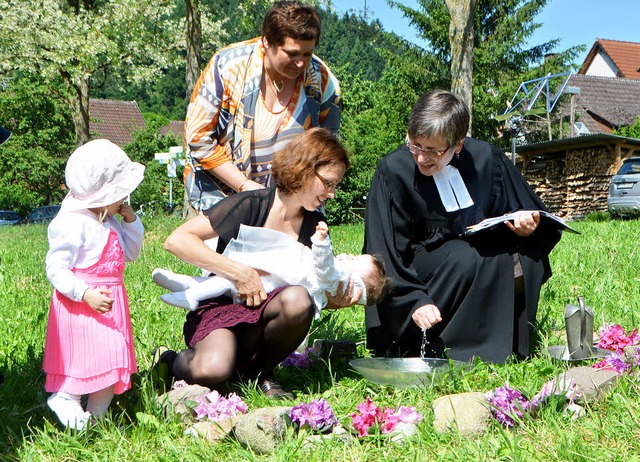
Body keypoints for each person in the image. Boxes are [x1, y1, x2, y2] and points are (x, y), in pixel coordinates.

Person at [155, 128, 358, 398]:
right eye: (328, 183)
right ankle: (172, 361)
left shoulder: (314, 227)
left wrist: (340, 297)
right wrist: (239, 273)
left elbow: (312, 288)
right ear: (305, 169)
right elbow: (177, 240)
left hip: (263, 315)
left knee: (298, 300)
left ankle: (261, 373)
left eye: (336, 186)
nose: (332, 193)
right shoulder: (251, 204)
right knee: (212, 372)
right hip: (222, 308)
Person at [363, 90, 563, 364]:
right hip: (417, 274)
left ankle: (509, 346)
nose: (422, 158)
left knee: (526, 259)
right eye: (415, 145)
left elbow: (531, 213)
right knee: (465, 256)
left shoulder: (486, 159)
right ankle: (441, 347)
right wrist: (414, 300)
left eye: (434, 150)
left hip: (473, 253)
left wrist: (528, 226)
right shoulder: (393, 171)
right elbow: (383, 250)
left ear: (458, 145)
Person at [184, 1, 341, 212]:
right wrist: (246, 187)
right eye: (292, 53)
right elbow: (197, 139)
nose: (301, 63)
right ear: (266, 42)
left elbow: (327, 150)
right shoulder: (227, 67)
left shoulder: (322, 80)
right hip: (219, 195)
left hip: (291, 205)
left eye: (307, 54)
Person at [43, 139, 145, 430]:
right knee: (84, 362)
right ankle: (66, 397)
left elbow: (132, 253)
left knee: (111, 361)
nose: (124, 200)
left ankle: (96, 420)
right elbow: (56, 269)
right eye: (119, 195)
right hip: (82, 307)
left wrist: (131, 223)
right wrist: (84, 292)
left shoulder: (110, 220)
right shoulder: (73, 223)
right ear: (100, 194)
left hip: (111, 304)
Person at [152, 221, 389, 312]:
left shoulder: (334, 278)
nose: (349, 255)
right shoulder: (330, 291)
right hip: (281, 279)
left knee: (232, 279)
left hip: (277, 278)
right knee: (229, 281)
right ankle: (186, 282)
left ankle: (192, 295)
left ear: (353, 283)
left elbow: (324, 265)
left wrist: (322, 242)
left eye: (355, 261)